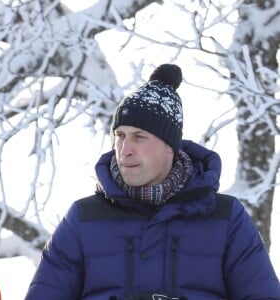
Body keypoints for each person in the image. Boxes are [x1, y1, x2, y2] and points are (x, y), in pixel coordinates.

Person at [25, 64, 280, 300]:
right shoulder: (83, 218)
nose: (125, 149)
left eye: (139, 137)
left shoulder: (226, 218)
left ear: (170, 146)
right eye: (120, 136)